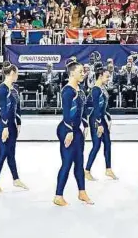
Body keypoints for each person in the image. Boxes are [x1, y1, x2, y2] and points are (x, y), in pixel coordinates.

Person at [54, 61, 93, 206]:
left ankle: (82, 192)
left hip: (77, 130)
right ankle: (58, 195)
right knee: (67, 162)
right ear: (72, 73)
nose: (83, 74)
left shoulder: (80, 90)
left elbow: (82, 110)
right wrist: (69, 130)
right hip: (66, 129)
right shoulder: (68, 91)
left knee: (79, 162)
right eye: (80, 71)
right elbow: (66, 113)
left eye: (83, 71)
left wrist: (86, 124)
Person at [0, 62, 27, 193]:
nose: (17, 75)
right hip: (3, 124)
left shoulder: (14, 88)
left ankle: (16, 179)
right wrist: (5, 126)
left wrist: (19, 123)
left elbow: (17, 107)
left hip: (12, 124)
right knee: (3, 153)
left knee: (11, 153)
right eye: (16, 73)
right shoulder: (2, 89)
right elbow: (4, 108)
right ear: (12, 73)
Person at [84, 63, 118, 181]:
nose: (108, 79)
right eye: (107, 77)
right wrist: (98, 124)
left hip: (102, 118)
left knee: (107, 143)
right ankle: (87, 170)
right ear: (100, 76)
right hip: (95, 118)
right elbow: (97, 108)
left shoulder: (102, 89)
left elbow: (105, 107)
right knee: (97, 145)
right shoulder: (95, 90)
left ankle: (108, 169)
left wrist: (108, 119)